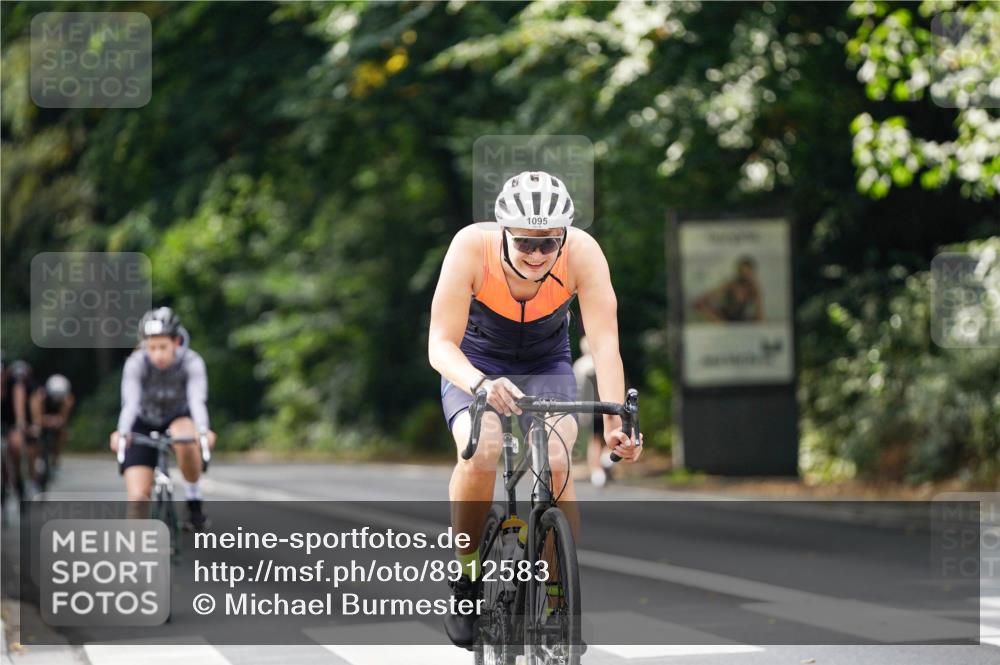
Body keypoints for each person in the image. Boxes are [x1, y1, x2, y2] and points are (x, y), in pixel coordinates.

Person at [428, 170, 642, 649]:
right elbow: (440, 344)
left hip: (547, 363)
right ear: (503, 231)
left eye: (548, 243)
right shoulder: (471, 248)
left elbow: (605, 346)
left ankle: (557, 597)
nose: (538, 254)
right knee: (482, 451)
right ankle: (466, 579)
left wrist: (615, 424)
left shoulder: (583, 253)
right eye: (525, 242)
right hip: (476, 364)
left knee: (559, 459)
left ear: (564, 235)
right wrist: (480, 383)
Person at [109, 307, 216, 529]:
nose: (157, 354)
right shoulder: (136, 362)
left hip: (178, 417)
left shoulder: (191, 361)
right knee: (138, 500)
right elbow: (130, 402)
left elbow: (197, 400)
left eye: (163, 347)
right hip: (143, 421)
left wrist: (202, 430)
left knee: (185, 439)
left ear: (176, 342)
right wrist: (122, 432)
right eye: (152, 347)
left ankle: (194, 501)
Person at [572, 336, 613, 488]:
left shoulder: (579, 365)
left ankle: (596, 470)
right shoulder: (603, 362)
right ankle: (606, 458)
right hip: (606, 406)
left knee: (594, 440)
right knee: (609, 436)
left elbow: (576, 390)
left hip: (589, 409)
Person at [28, 374, 76, 489]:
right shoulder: (39, 396)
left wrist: (59, 421)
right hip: (42, 417)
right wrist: (43, 421)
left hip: (55, 419)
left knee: (62, 433)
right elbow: (36, 417)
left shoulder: (68, 399)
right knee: (35, 434)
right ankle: (35, 465)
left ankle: (55, 458)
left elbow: (64, 417)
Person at [1, 360, 35, 505]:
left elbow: (19, 406)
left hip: (11, 423)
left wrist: (20, 423)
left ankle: (20, 484)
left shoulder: (15, 384)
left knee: (15, 446)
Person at [693, 255, 763, 323]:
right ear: (739, 272)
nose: (745, 275)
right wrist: (716, 318)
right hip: (724, 318)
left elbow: (759, 313)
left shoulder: (753, 289)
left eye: (748, 273)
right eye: (743, 272)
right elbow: (705, 299)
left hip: (740, 320)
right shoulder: (731, 285)